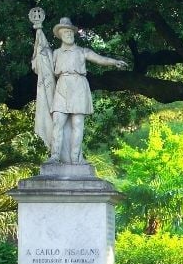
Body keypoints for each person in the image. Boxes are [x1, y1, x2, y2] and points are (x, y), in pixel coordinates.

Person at [31, 14, 128, 164]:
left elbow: (100, 59)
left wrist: (115, 62)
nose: (68, 34)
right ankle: (55, 156)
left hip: (79, 87)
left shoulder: (82, 51)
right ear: (60, 35)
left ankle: (76, 158)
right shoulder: (55, 53)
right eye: (65, 32)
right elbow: (44, 66)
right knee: (58, 122)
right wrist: (39, 36)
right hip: (62, 86)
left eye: (70, 32)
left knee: (78, 124)